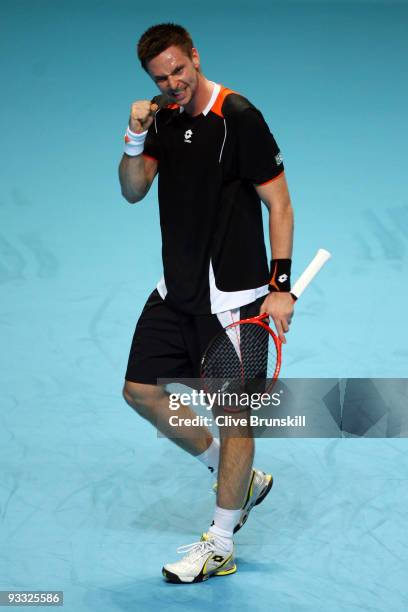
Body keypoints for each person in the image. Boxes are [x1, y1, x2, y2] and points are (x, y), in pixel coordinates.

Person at [118, 23, 295, 583]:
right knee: (140, 391)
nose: (172, 83)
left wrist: (280, 286)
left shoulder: (238, 115)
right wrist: (133, 133)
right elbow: (132, 188)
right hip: (177, 291)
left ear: (195, 57)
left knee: (235, 419)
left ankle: (220, 543)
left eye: (178, 70)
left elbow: (280, 204)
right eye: (160, 77)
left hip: (236, 300)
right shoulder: (163, 118)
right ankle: (234, 474)